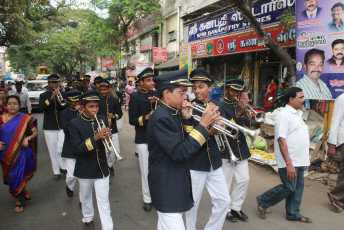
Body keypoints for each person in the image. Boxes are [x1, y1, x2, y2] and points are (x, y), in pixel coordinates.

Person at [147, 69, 220, 230]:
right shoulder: (161, 118)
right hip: (166, 185)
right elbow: (180, 152)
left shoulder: (172, 113)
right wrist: (203, 125)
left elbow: (184, 142)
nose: (186, 96)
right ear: (166, 93)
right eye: (181, 92)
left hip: (174, 181)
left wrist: (187, 119)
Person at [257, 87, 312, 223]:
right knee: (289, 187)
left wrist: (305, 161)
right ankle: (264, 200)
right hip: (289, 160)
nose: (303, 100)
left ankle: (293, 213)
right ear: (291, 100)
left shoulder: (298, 114)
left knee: (297, 188)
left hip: (300, 160)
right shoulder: (284, 115)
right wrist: (288, 163)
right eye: (300, 97)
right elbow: (281, 140)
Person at [185, 68, 230, 230]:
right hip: (195, 162)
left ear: (210, 88)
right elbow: (188, 137)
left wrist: (222, 127)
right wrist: (210, 131)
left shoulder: (218, 106)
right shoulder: (189, 108)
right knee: (192, 205)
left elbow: (225, 129)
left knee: (224, 201)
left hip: (214, 161)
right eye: (194, 87)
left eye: (201, 87)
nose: (197, 90)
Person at [69, 90, 113, 230]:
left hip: (101, 166)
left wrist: (107, 137)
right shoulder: (75, 124)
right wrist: (95, 138)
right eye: (91, 107)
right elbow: (77, 148)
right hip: (85, 167)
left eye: (96, 106)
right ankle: (87, 218)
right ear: (82, 107)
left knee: (104, 201)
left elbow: (105, 142)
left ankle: (108, 227)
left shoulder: (103, 120)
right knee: (86, 196)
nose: (95, 110)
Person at [220, 79, 251, 222]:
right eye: (233, 91)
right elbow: (226, 128)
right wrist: (238, 113)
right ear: (226, 90)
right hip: (227, 149)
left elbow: (248, 125)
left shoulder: (240, 105)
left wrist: (247, 113)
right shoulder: (220, 106)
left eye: (238, 92)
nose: (235, 94)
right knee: (225, 182)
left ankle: (236, 207)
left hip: (241, 148)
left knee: (244, 179)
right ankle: (226, 210)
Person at [0, 95, 38, 213]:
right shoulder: (1, 118)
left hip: (21, 152)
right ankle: (21, 191)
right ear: (6, 105)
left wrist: (28, 139)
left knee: (18, 175)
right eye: (10, 103)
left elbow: (35, 132)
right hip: (5, 152)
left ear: (19, 106)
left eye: (15, 103)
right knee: (11, 177)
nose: (12, 105)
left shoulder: (26, 118)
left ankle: (18, 200)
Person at [129, 67, 159, 212]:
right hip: (143, 138)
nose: (152, 83)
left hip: (158, 138)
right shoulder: (135, 97)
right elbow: (132, 120)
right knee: (146, 169)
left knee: (158, 169)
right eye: (148, 80)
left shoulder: (157, 94)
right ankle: (147, 198)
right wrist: (146, 117)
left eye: (153, 80)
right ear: (141, 82)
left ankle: (158, 195)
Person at [39, 74, 66, 180]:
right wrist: (51, 98)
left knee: (62, 146)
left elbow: (66, 106)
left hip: (61, 124)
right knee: (52, 149)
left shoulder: (63, 94)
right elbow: (41, 107)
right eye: (52, 83)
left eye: (56, 83)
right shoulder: (44, 95)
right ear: (49, 83)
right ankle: (56, 171)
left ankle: (63, 166)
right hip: (50, 126)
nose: (54, 85)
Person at [98, 79, 123, 176]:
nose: (103, 91)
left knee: (115, 151)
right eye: (101, 90)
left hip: (113, 130)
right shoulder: (97, 100)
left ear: (109, 89)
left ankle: (109, 165)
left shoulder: (115, 100)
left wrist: (113, 117)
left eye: (105, 89)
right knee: (104, 152)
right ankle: (105, 171)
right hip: (102, 130)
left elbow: (120, 114)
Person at [61, 90, 82, 198]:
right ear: (69, 101)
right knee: (71, 175)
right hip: (70, 147)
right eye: (74, 101)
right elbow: (67, 130)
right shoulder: (64, 113)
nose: (77, 103)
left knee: (83, 177)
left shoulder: (85, 111)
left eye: (78, 100)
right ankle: (69, 186)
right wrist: (78, 117)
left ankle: (82, 200)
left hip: (83, 145)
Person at [326, 92, 344, 213]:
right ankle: (336, 196)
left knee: (342, 172)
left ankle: (339, 200)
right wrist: (332, 144)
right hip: (343, 140)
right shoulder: (342, 99)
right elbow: (335, 121)